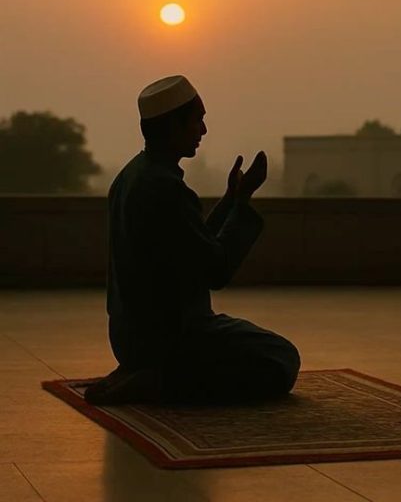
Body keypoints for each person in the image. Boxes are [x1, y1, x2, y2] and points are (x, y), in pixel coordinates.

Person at [84, 74, 300, 405]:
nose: (203, 130)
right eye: (197, 120)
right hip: (173, 338)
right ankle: (160, 383)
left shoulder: (131, 177)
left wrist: (230, 199)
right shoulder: (164, 188)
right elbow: (216, 269)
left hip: (130, 338)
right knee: (280, 360)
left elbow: (193, 246)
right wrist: (241, 206)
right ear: (173, 126)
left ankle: (141, 372)